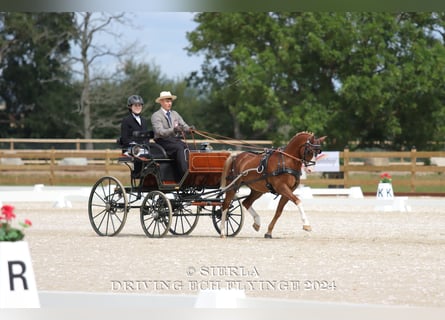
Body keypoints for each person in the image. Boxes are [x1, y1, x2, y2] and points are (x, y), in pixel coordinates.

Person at [151, 91, 194, 179]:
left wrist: (189, 129)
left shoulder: (175, 114)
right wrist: (173, 130)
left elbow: (183, 125)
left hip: (174, 140)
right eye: (167, 101)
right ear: (161, 102)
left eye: (170, 101)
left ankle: (193, 171)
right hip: (162, 141)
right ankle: (184, 174)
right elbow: (160, 132)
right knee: (179, 148)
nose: (169, 103)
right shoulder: (156, 116)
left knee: (191, 147)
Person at [120, 94, 150, 178]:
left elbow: (146, 137)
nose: (138, 107)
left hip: (143, 148)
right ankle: (138, 174)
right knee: (143, 154)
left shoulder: (144, 120)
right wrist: (136, 145)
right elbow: (125, 139)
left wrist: (146, 145)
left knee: (154, 154)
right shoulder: (126, 120)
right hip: (130, 148)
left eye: (139, 105)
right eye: (135, 105)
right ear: (130, 107)